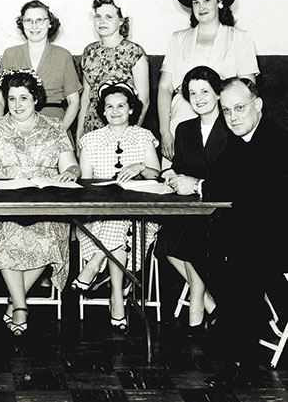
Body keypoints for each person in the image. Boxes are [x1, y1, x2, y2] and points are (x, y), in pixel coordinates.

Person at [168, 78, 288, 387]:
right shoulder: (240, 139)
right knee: (191, 242)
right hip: (257, 230)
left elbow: (249, 191)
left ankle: (244, 352)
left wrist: (196, 186)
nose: (233, 116)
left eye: (239, 108)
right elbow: (223, 176)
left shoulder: (274, 140)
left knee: (236, 255)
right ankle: (253, 320)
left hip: (278, 235)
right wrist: (192, 180)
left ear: (257, 105)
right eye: (226, 110)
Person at [0, 69, 79, 336]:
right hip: (3, 203)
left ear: (35, 99)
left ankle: (15, 303)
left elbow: (71, 166)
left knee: (49, 235)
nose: (18, 105)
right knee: (7, 235)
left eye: (24, 98)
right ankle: (21, 306)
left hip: (44, 203)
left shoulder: (54, 128)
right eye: (12, 99)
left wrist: (70, 173)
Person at [74, 82, 160, 330]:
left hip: (139, 213)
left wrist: (141, 168)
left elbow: (156, 176)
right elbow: (85, 182)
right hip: (98, 215)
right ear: (102, 111)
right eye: (109, 106)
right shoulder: (90, 140)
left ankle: (94, 266)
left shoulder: (143, 136)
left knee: (121, 218)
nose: (115, 111)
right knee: (116, 221)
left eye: (121, 105)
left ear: (131, 109)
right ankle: (117, 297)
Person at [157, 0, 259, 163]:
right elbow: (165, 88)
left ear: (219, 2)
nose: (201, 7)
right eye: (195, 2)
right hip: (182, 116)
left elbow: (248, 88)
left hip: (224, 120)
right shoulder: (178, 38)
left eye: (206, 0)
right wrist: (165, 132)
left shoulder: (240, 38)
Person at [156, 66, 229, 331]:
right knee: (164, 244)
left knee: (192, 240)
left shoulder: (230, 126)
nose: (198, 98)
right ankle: (210, 302)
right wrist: (171, 174)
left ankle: (197, 303)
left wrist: (196, 185)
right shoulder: (185, 129)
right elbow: (180, 165)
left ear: (218, 93)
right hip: (193, 208)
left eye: (205, 92)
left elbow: (232, 179)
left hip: (223, 209)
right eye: (192, 93)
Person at [0, 0, 82, 132]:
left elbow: (74, 102)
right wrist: (0, 131)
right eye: (28, 20)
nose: (34, 26)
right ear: (22, 24)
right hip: (17, 124)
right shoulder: (10, 54)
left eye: (40, 20)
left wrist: (59, 132)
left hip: (54, 124)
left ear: (50, 23)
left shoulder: (63, 56)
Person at [76, 0, 149, 143]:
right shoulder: (89, 52)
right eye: (98, 16)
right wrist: (79, 135)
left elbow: (143, 100)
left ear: (121, 21)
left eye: (109, 16)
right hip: (92, 129)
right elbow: (86, 98)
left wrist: (130, 136)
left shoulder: (134, 52)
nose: (102, 21)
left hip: (122, 128)